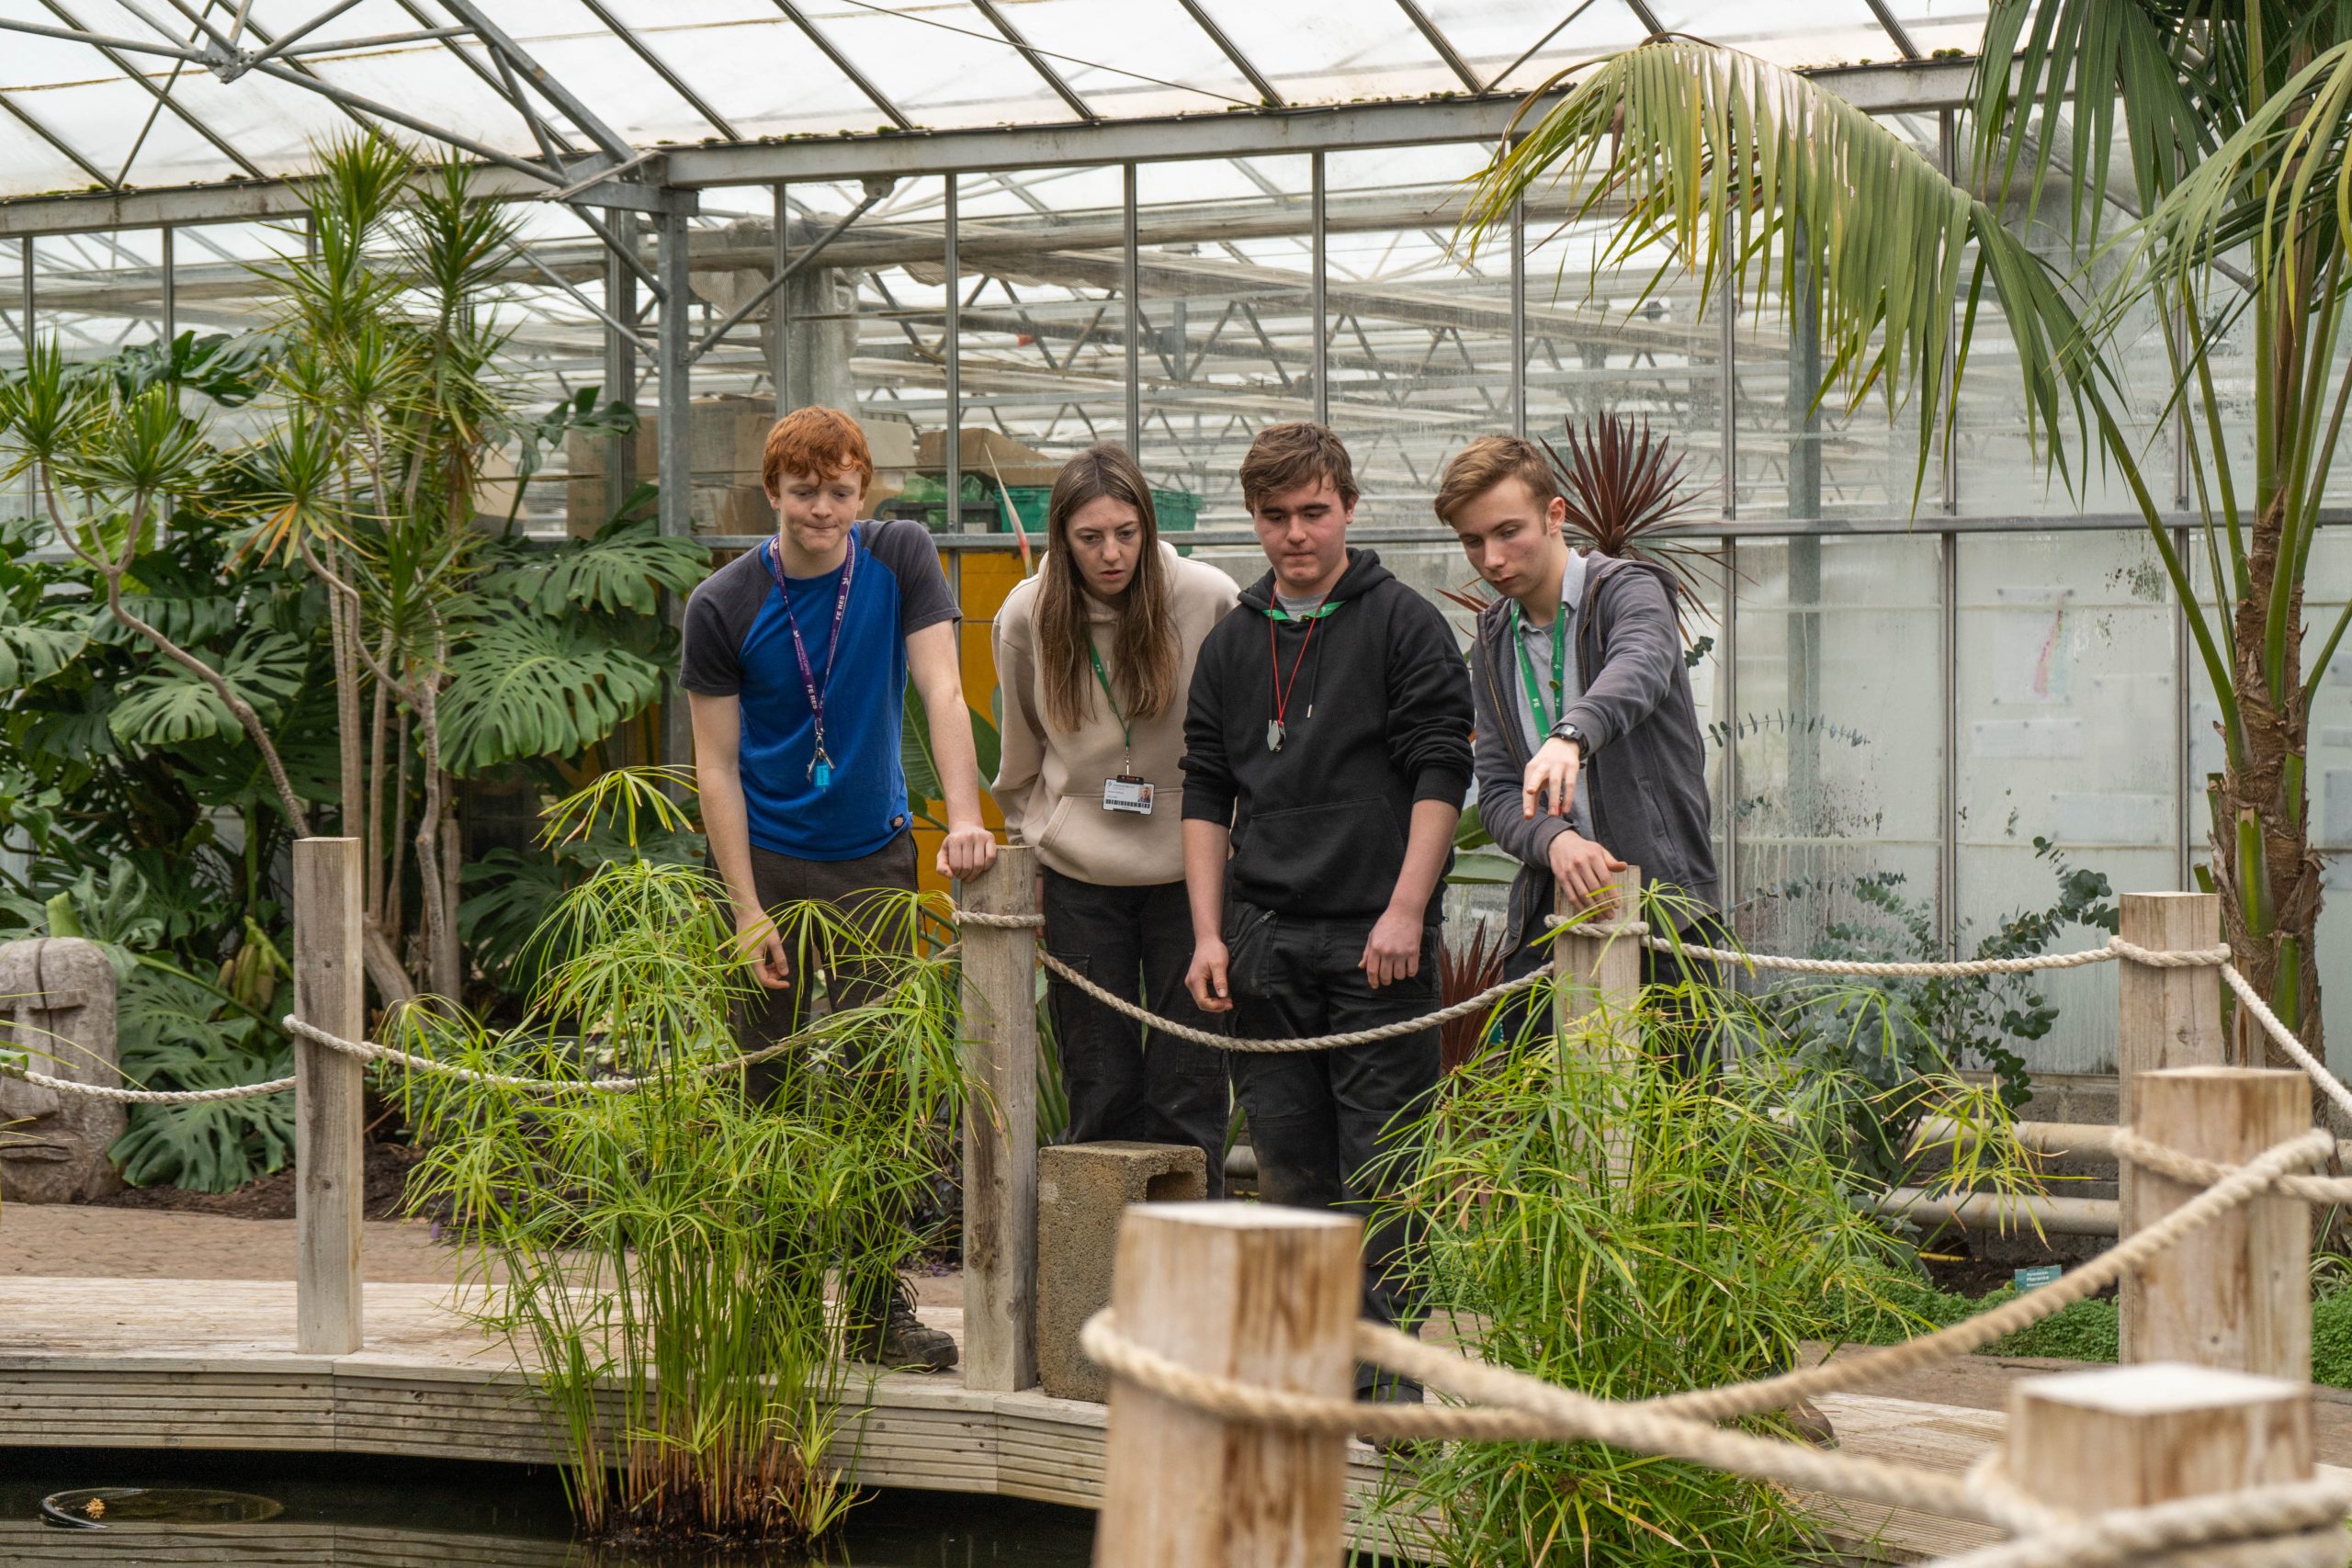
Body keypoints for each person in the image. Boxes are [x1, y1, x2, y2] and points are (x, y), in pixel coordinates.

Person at [681, 405, 998, 1373]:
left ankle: (871, 1308)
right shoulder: (723, 604)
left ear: (864, 492)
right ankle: (777, 1304)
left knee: (872, 1087)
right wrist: (744, 910)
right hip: (767, 861)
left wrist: (967, 813)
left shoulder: (898, 557)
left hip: (872, 859)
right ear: (771, 494)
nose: (823, 509)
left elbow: (941, 690)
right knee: (766, 1084)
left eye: (841, 490)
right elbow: (716, 768)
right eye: (804, 491)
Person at [1179, 421, 1474, 1401]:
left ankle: (1387, 1380)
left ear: (1348, 507)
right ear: (1253, 521)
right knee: (1290, 1165)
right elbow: (1205, 790)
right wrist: (1210, 933)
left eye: (1313, 512)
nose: (1295, 534)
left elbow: (1443, 765)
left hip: (1375, 939)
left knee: (1384, 1162)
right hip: (1265, 941)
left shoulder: (1403, 624)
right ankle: (1309, 1367)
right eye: (1275, 517)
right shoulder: (1230, 641)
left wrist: (1404, 910)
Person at [990, 444, 1239, 1192]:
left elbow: (1236, 737)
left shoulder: (1207, 597)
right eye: (1090, 537)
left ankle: (1192, 1283)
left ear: (1148, 526)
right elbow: (1020, 751)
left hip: (1191, 870)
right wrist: (1029, 847)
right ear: (1062, 536)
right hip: (1079, 872)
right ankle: (1096, 1284)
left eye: (1126, 533)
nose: (1111, 553)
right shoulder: (1027, 613)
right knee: (1098, 1087)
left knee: (1189, 1089)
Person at [1434, 434, 1720, 1056]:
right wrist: (1554, 839)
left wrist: (1571, 733)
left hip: (1663, 907)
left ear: (1555, 514)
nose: (1492, 557)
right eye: (1472, 541)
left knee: (1679, 1125)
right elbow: (1503, 789)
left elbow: (1641, 664)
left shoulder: (1627, 591)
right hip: (1553, 907)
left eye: (1509, 531)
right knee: (1543, 1124)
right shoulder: (1493, 640)